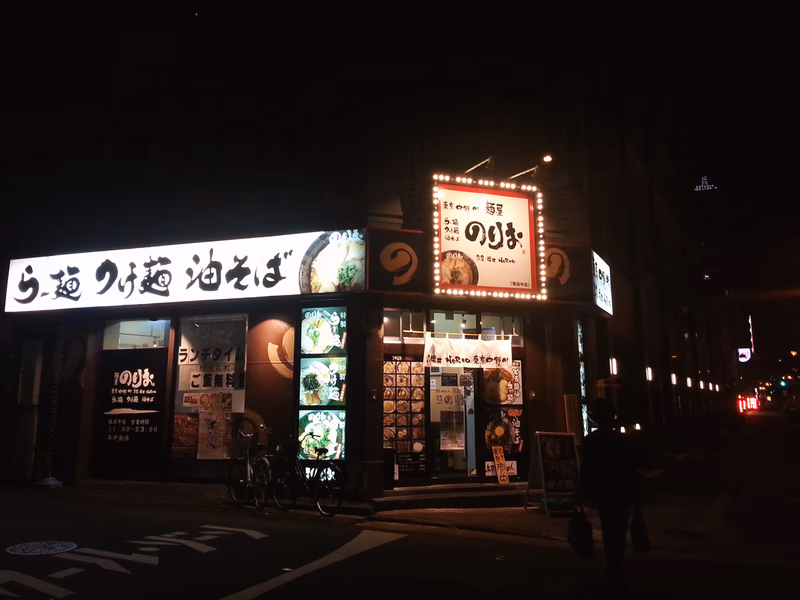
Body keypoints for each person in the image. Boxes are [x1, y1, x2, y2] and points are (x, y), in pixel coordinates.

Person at [576, 399, 640, 596]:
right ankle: (616, 570)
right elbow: (632, 471)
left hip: (603, 492)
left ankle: (613, 572)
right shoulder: (623, 441)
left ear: (595, 418)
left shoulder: (591, 442)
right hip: (622, 493)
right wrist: (637, 498)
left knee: (609, 529)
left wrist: (581, 494)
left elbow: (586, 471)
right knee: (618, 530)